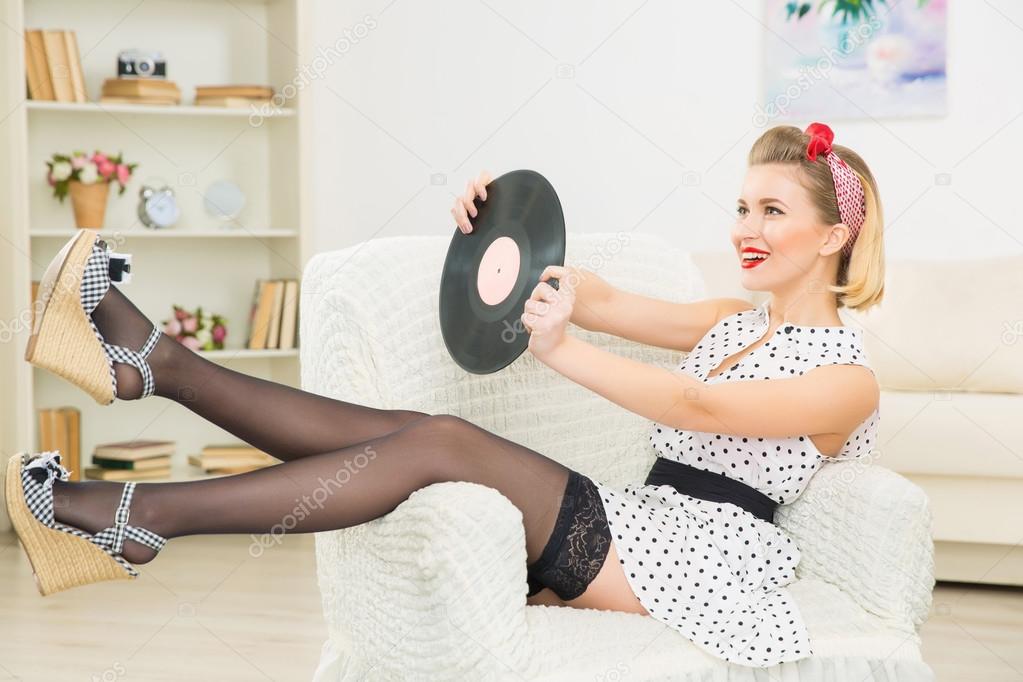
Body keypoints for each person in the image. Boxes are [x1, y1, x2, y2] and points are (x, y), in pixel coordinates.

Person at [7, 122, 883, 668]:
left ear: (833, 234)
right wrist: (498, 224)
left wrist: (563, 350)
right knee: (422, 434)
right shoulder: (730, 319)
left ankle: (147, 505)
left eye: (772, 211)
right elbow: (599, 294)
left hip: (702, 563)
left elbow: (700, 412)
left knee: (443, 442)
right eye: (740, 207)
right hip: (640, 523)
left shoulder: (847, 379)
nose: (744, 229)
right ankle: (154, 375)